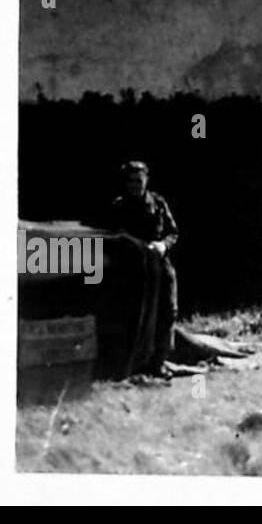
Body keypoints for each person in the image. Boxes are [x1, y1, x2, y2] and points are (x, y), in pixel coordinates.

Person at [103, 160, 180, 374]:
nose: (135, 185)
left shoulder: (158, 202)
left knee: (168, 311)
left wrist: (163, 245)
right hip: (132, 270)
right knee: (135, 315)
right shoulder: (118, 206)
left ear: (146, 180)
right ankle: (131, 364)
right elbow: (111, 235)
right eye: (131, 181)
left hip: (159, 265)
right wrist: (132, 241)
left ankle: (159, 362)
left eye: (139, 180)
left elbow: (173, 232)